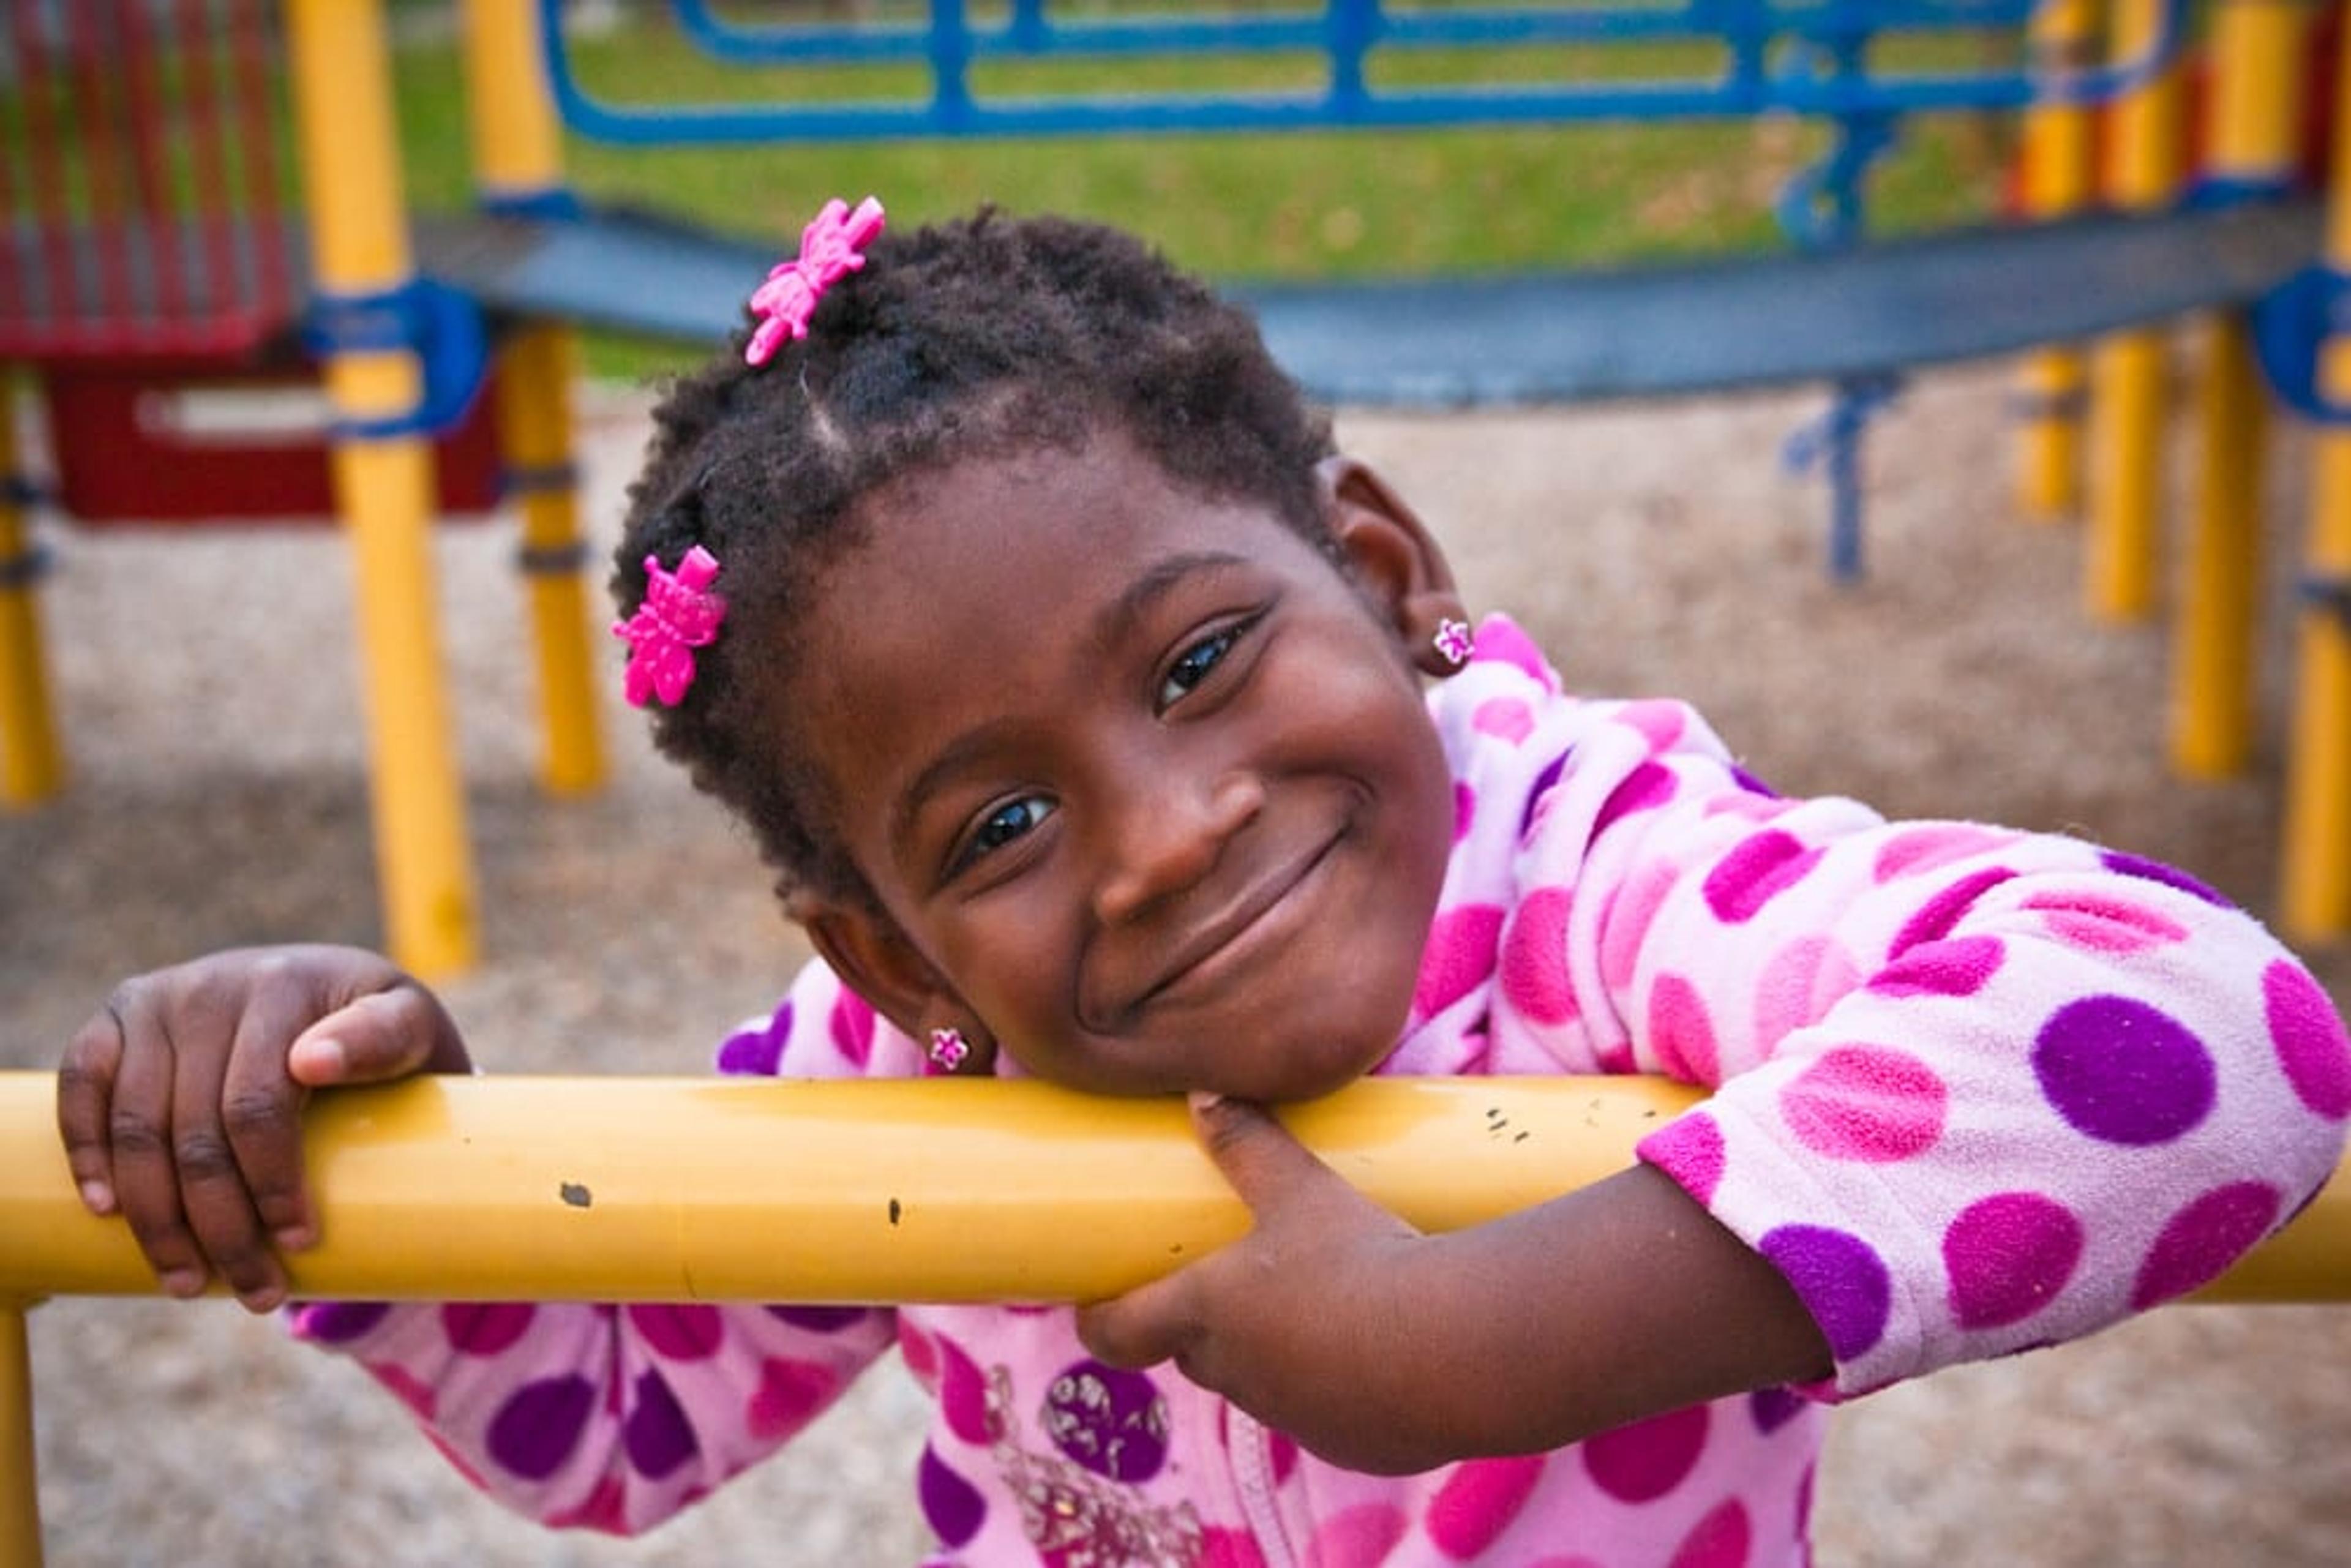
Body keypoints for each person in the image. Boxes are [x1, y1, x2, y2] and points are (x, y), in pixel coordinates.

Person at [55, 198, 2351, 1566]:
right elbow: (624, 1420)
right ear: (879, 942)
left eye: (1204, 656)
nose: (1168, 830)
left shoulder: (1595, 878)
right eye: (999, 828)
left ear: (1383, 569)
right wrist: (361, 1134)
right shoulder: (906, 1055)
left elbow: (2211, 1038)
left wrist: (1478, 1340)